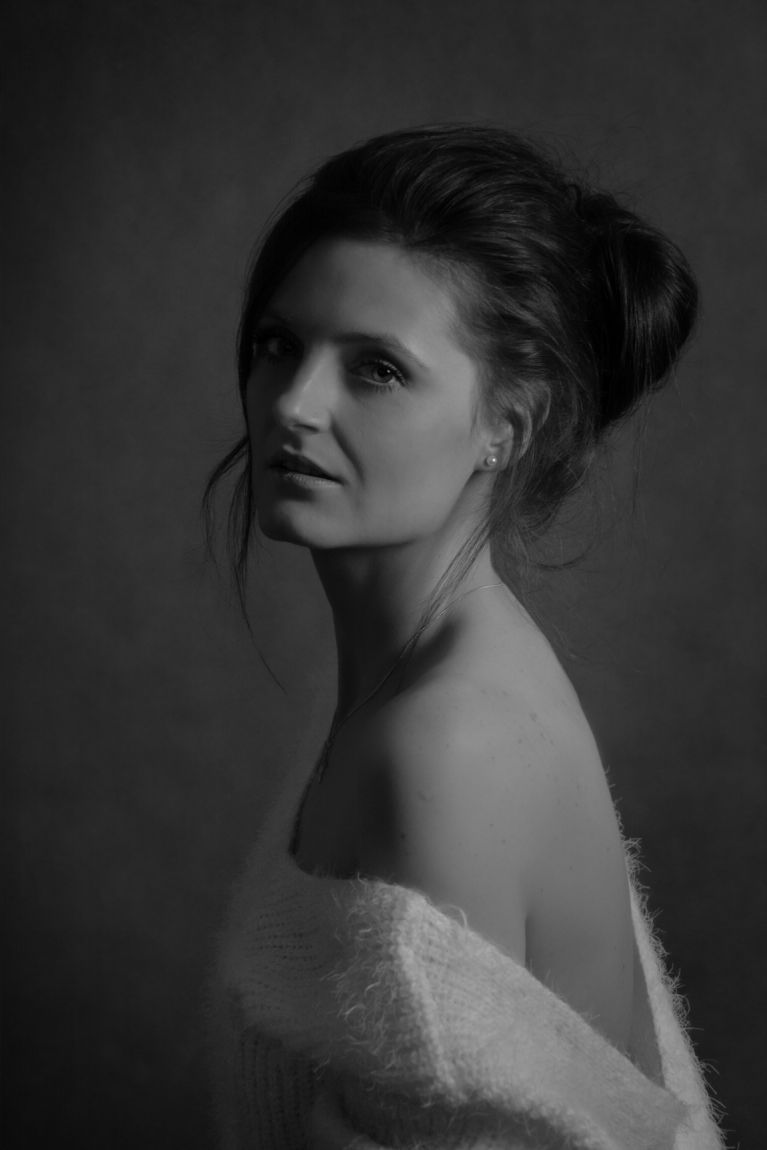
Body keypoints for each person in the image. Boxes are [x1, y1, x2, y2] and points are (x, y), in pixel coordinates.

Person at [203, 124, 724, 1148]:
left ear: (508, 425)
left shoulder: (442, 748)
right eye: (278, 345)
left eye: (376, 369)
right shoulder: (399, 677)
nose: (293, 404)